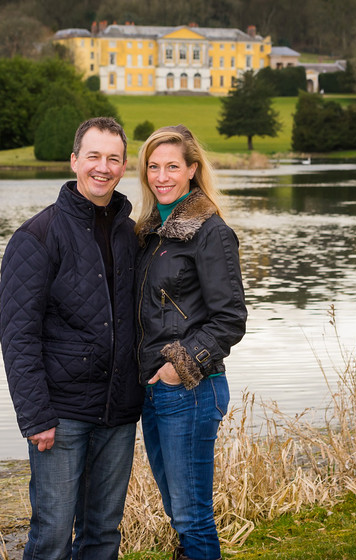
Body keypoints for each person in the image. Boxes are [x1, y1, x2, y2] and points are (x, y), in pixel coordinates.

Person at [0, 117, 144, 560]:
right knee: (52, 537)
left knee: (103, 534)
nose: (103, 167)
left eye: (113, 158)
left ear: (123, 167)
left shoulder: (129, 233)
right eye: (94, 156)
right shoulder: (37, 236)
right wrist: (35, 415)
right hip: (61, 416)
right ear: (74, 161)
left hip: (118, 413)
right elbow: (18, 335)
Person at [134, 125, 247, 560]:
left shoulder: (210, 232)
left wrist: (176, 367)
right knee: (178, 511)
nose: (162, 176)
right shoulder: (150, 233)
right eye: (153, 167)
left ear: (193, 170)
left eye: (173, 167)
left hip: (191, 389)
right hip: (157, 390)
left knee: (192, 515)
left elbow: (230, 319)